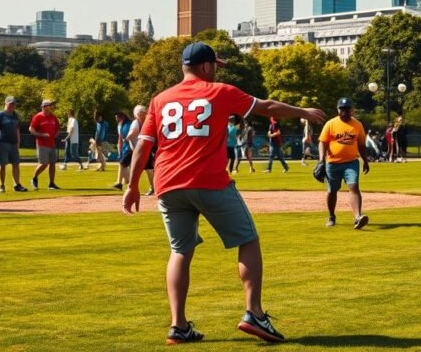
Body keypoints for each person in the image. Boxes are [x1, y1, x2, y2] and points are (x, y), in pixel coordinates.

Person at [122, 41, 325, 344]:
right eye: (215, 65)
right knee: (247, 240)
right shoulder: (220, 91)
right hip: (209, 181)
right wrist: (304, 112)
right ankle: (254, 313)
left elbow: (143, 144)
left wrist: (133, 185)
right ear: (205, 66)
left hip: (168, 185)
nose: (216, 70)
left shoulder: (160, 99)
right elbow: (267, 107)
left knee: (180, 251)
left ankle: (178, 326)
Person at [318, 97, 371, 229]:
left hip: (351, 162)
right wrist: (321, 161)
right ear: (338, 110)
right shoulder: (331, 124)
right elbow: (323, 142)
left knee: (354, 188)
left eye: (347, 109)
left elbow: (361, 144)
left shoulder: (357, 125)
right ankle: (331, 216)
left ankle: (358, 217)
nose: (344, 112)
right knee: (332, 191)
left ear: (351, 110)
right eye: (342, 109)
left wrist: (365, 160)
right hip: (332, 163)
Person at [0, 96, 27, 193]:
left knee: (16, 164)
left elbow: (17, 129)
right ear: (5, 104)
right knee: (2, 165)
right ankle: (2, 185)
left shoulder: (15, 115)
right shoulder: (0, 115)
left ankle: (17, 185)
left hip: (14, 143)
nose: (12, 105)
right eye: (10, 103)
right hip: (3, 143)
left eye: (14, 104)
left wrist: (18, 142)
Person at [29, 99, 62, 190]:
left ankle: (51, 183)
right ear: (43, 107)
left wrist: (57, 133)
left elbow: (58, 128)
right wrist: (42, 135)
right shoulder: (38, 117)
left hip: (51, 143)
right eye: (47, 105)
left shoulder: (53, 117)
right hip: (42, 143)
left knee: (52, 163)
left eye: (50, 105)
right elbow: (31, 130)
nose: (49, 107)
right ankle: (34, 178)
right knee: (44, 163)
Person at [126, 105, 155, 196]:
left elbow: (129, 136)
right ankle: (152, 188)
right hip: (141, 150)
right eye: (141, 114)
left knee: (150, 170)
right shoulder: (136, 123)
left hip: (145, 149)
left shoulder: (145, 121)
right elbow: (129, 136)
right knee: (148, 170)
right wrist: (133, 147)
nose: (143, 115)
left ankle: (153, 187)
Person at [113, 111, 133, 190]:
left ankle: (121, 183)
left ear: (122, 117)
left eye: (118, 117)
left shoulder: (128, 124)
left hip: (129, 148)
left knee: (122, 164)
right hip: (125, 148)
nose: (116, 119)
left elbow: (128, 137)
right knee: (123, 164)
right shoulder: (121, 125)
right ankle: (127, 182)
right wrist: (119, 149)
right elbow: (120, 138)